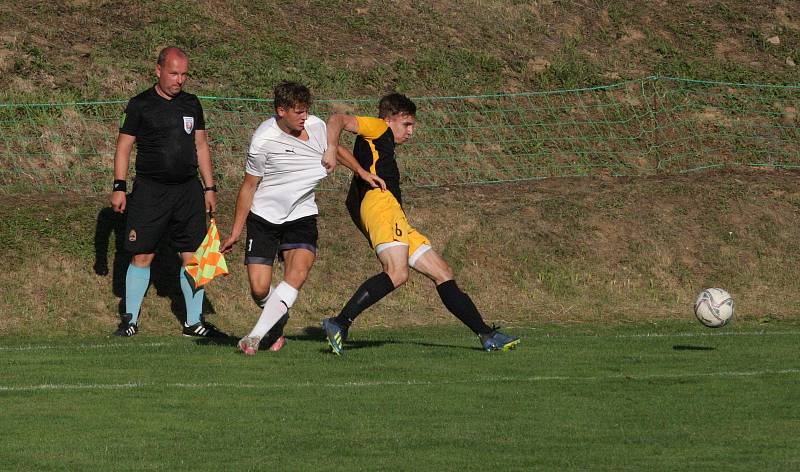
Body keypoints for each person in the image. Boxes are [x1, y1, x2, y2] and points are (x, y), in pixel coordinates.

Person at [321, 93, 520, 354]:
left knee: (442, 272)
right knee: (397, 272)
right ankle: (340, 322)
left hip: (393, 212)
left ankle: (486, 334)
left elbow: (344, 150)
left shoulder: (380, 142)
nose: (411, 131)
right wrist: (330, 149)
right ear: (389, 119)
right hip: (382, 206)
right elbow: (336, 120)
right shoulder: (379, 127)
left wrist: (356, 168)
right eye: (407, 124)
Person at [220, 81, 384, 355]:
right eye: (298, 112)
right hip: (265, 217)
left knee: (297, 273)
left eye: (306, 110)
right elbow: (249, 186)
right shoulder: (263, 140)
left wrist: (361, 172)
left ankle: (255, 336)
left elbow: (336, 149)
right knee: (259, 289)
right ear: (280, 110)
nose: (304, 117)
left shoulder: (316, 126)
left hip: (302, 215)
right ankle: (277, 316)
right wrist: (236, 231)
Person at [110, 46, 226, 339]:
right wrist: (119, 186)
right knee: (143, 255)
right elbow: (124, 147)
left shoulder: (191, 104)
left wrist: (209, 187)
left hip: (188, 191)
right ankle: (130, 320)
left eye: (184, 74)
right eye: (174, 73)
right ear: (158, 70)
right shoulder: (140, 105)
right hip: (151, 191)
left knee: (193, 258)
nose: (179, 80)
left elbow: (201, 146)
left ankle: (193, 323)